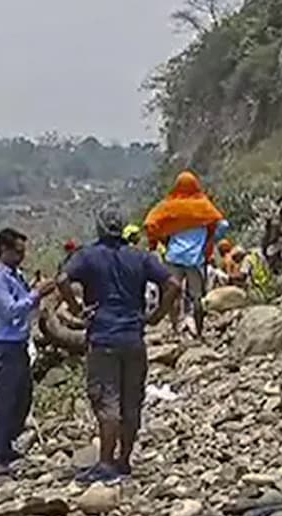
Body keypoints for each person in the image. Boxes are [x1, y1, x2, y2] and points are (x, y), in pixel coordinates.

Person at [58, 208, 182, 484]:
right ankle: (124, 460)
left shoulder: (87, 256)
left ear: (100, 228)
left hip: (103, 337)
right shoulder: (140, 257)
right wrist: (158, 315)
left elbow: (62, 280)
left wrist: (77, 308)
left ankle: (105, 463)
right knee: (131, 402)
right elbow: (173, 283)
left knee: (107, 402)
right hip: (133, 337)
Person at [0, 228, 55, 476]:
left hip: (19, 344)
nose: (21, 257)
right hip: (4, 346)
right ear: (4, 250)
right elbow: (11, 310)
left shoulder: (16, 275)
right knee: (2, 402)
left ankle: (6, 445)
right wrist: (37, 294)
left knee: (21, 398)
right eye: (18, 252)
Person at [145, 171, 228, 340]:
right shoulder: (203, 206)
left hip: (173, 257)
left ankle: (175, 329)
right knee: (198, 298)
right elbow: (223, 224)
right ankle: (198, 332)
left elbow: (150, 224)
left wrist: (161, 240)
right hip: (195, 260)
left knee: (172, 293)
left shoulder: (169, 206)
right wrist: (210, 240)